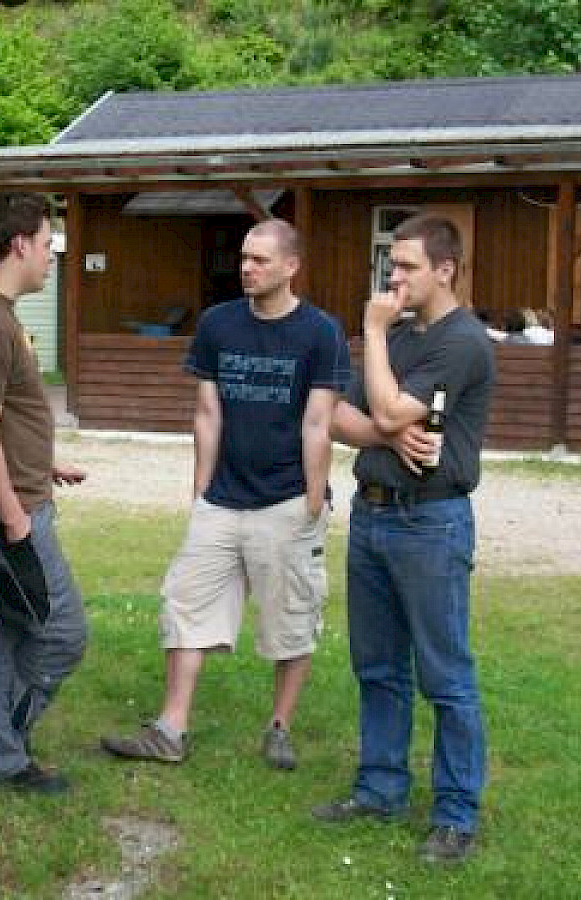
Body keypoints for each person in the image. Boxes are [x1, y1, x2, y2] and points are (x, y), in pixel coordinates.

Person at [101, 218, 351, 771]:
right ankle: (171, 729)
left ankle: (279, 727)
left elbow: (319, 422)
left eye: (260, 260)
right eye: (243, 258)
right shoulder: (218, 324)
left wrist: (312, 502)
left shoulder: (320, 332)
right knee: (184, 605)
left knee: (291, 618)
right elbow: (207, 412)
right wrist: (200, 491)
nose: (247, 268)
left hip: (287, 501)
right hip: (220, 501)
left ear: (291, 266)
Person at [315, 213, 495, 865]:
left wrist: (370, 333)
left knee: (445, 674)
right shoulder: (398, 338)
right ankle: (381, 790)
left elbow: (389, 407)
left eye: (407, 266)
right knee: (378, 666)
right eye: (391, 264)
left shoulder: (462, 341)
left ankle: (455, 816)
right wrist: (389, 436)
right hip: (372, 515)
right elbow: (337, 415)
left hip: (430, 521)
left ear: (446, 270)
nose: (394, 278)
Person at [0, 192, 88, 794]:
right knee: (61, 632)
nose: (52, 256)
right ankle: (2, 743)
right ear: (20, 243)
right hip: (16, 514)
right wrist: (14, 518)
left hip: (25, 495)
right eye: (48, 245)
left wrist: (44, 463)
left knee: (13, 632)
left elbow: (4, 424)